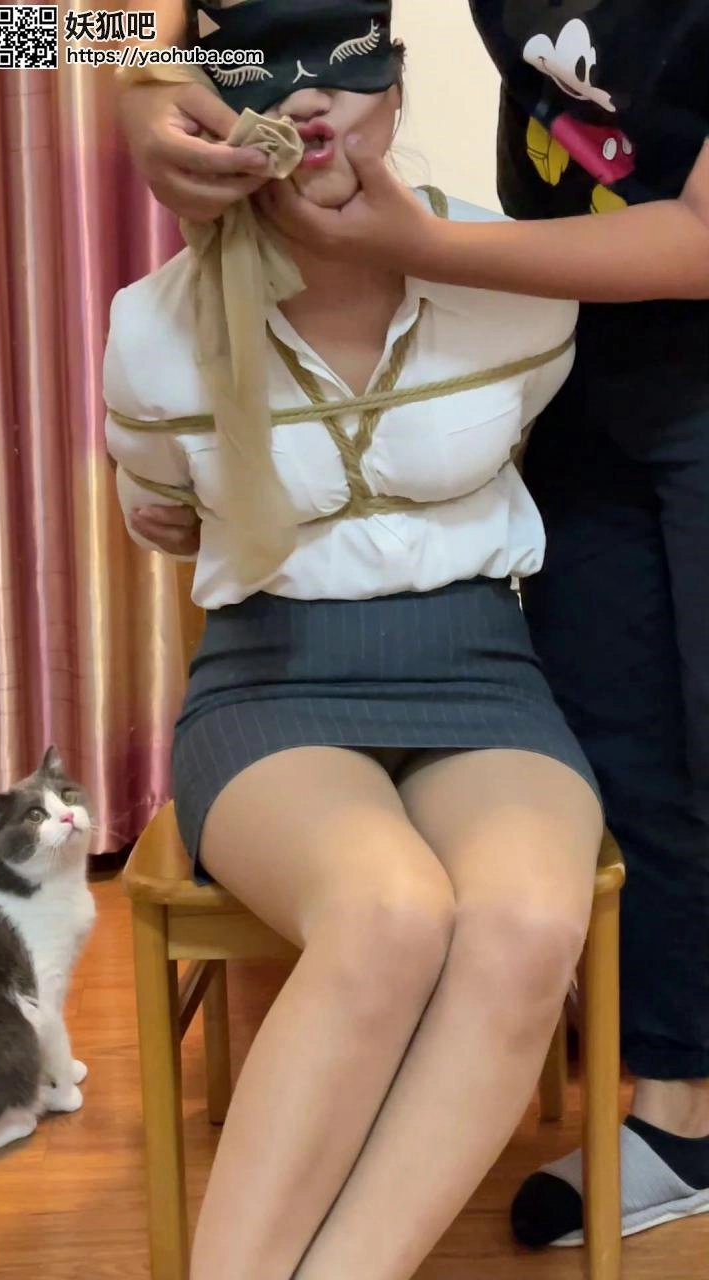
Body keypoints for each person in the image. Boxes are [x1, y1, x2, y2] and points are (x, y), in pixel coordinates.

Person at [116, 0, 709, 1254]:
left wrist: (428, 245)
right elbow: (34, 27)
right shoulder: (153, 333)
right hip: (273, 681)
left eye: (344, 65)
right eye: (258, 67)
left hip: (484, 671)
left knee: (526, 921)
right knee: (387, 909)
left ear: (395, 91)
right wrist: (132, 79)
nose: (305, 98)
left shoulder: (519, 303)